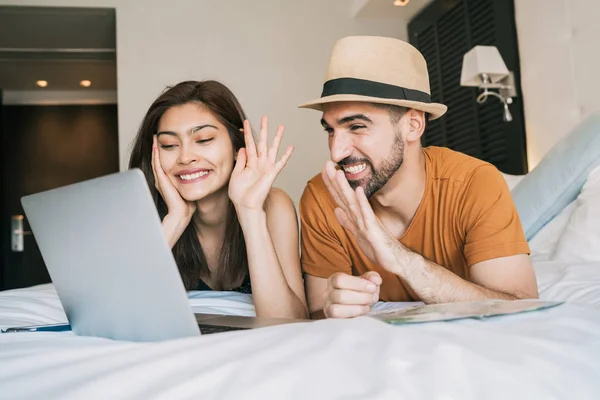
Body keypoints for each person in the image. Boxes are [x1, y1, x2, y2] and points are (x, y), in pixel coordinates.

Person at [297, 36, 538, 319]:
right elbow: (317, 313)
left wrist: (402, 260)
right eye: (331, 130)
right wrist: (333, 307)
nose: (336, 152)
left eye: (357, 126)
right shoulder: (324, 196)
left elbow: (521, 309)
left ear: (413, 125)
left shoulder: (475, 183)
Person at [129, 80, 308, 319]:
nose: (185, 157)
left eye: (203, 140)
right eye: (169, 144)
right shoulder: (144, 210)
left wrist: (250, 212)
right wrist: (175, 220)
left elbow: (288, 323)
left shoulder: (274, 206)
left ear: (237, 145)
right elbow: (120, 313)